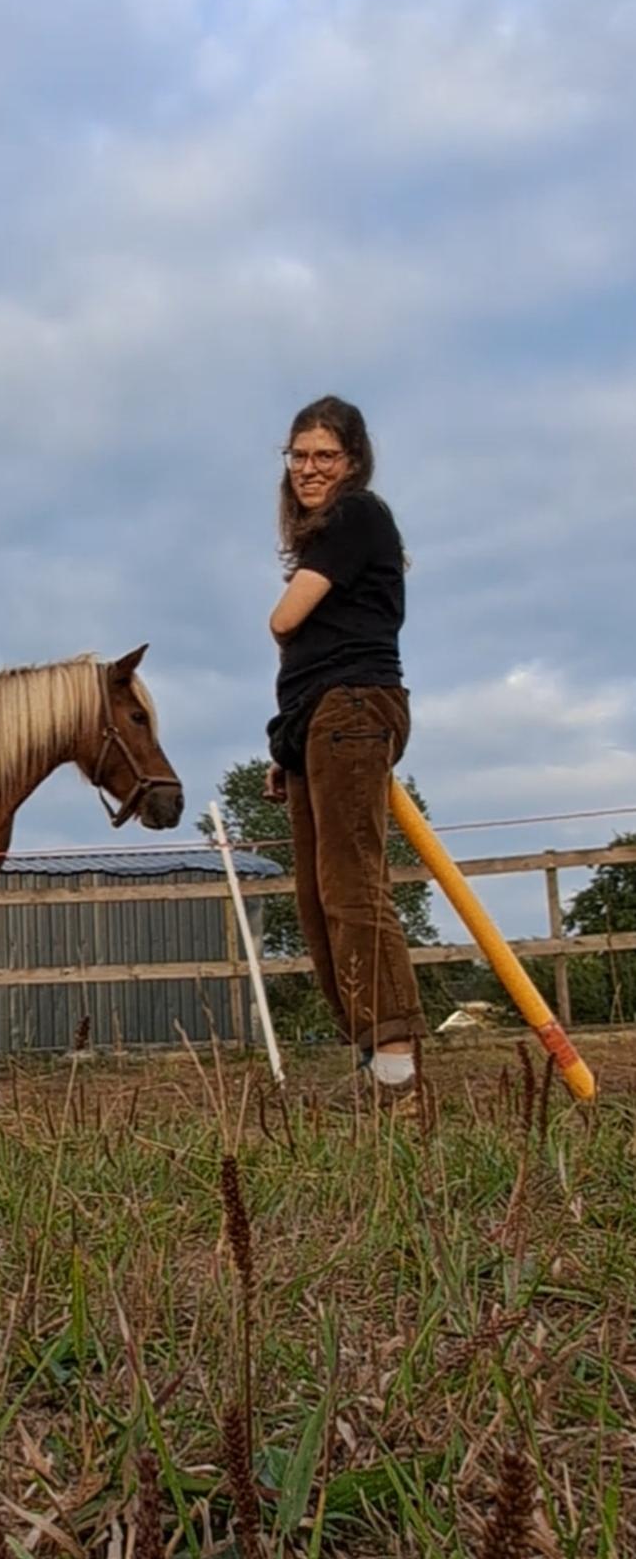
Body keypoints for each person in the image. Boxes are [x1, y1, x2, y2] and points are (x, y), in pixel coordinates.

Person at [263, 395, 426, 1104]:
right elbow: (305, 653)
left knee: (354, 884)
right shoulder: (327, 538)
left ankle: (396, 1067)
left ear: (352, 462)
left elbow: (286, 619)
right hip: (316, 723)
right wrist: (284, 745)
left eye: (323, 455)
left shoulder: (360, 514)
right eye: (297, 455)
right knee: (316, 897)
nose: (307, 468)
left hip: (354, 709)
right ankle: (370, 1058)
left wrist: (284, 617)